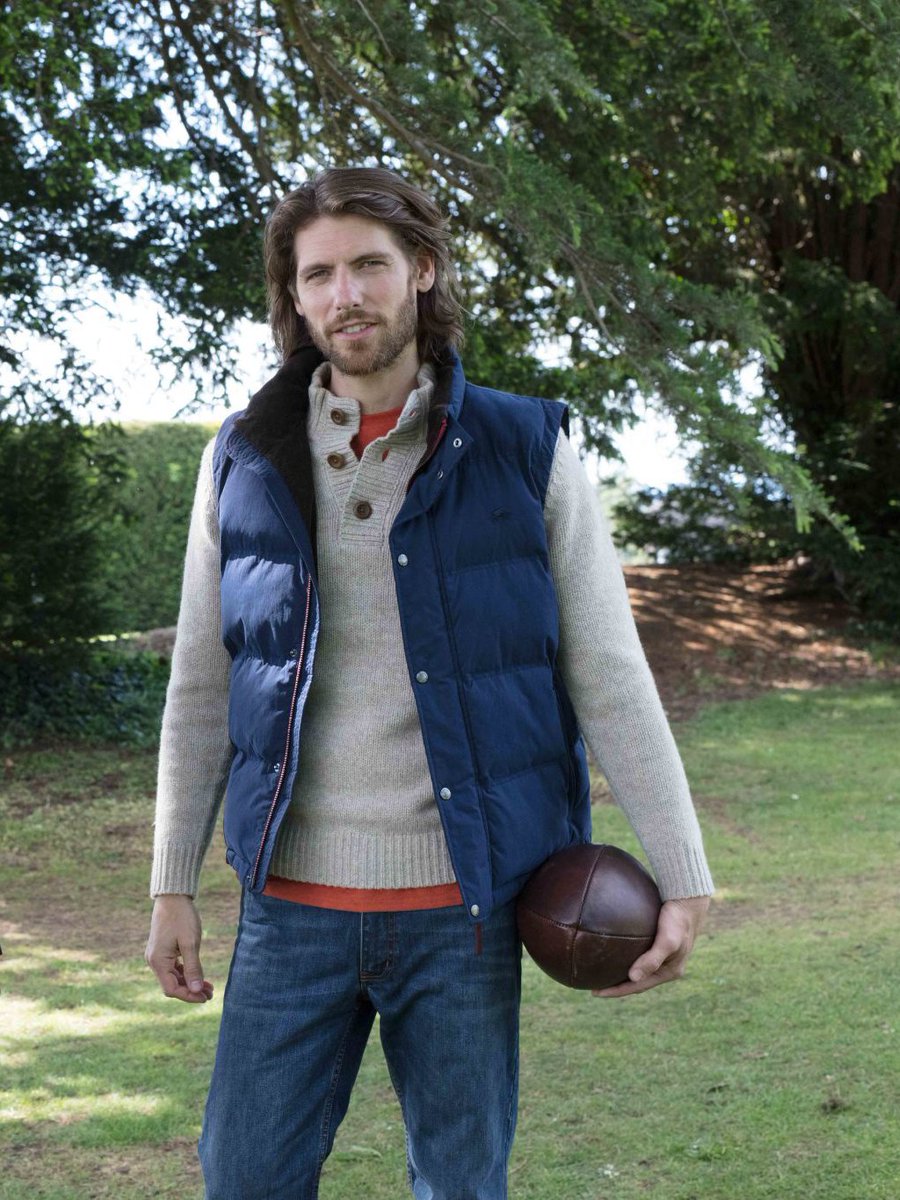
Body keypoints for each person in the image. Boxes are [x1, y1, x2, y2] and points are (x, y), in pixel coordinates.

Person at [145, 166, 714, 1200]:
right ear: (294, 297)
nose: (345, 295)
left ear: (422, 270)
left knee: (461, 1184)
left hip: (466, 907)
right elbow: (201, 684)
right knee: (243, 1178)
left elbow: (607, 670)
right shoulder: (243, 457)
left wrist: (684, 876)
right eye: (318, 275)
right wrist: (170, 884)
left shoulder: (526, 447)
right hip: (289, 909)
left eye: (368, 265)